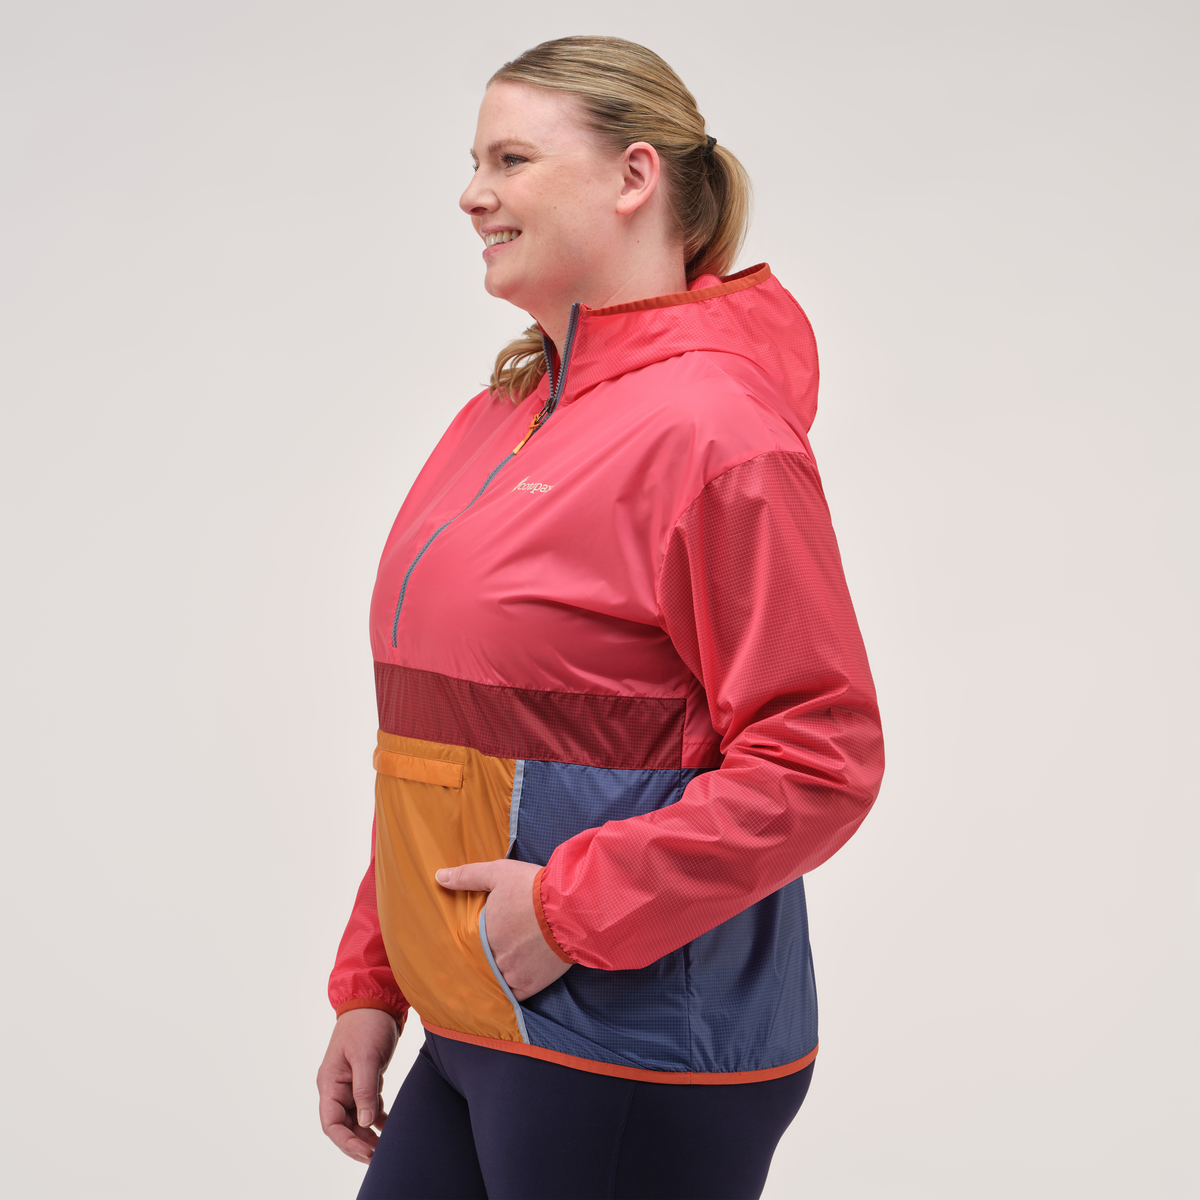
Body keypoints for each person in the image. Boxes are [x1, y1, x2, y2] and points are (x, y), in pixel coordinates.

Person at [316, 35, 884, 1200]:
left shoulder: (718, 432)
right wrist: (375, 979)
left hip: (627, 1043)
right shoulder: (504, 411)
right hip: (477, 1021)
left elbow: (820, 760)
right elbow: (441, 737)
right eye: (474, 161)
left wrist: (568, 913)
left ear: (633, 177)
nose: (472, 194)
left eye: (511, 159)